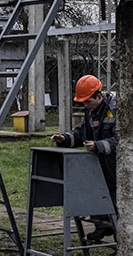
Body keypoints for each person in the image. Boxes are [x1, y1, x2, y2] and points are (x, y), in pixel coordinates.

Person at [51, 74, 118, 241]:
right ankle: (103, 226)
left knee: (116, 202)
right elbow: (82, 132)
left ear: (99, 96)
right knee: (96, 193)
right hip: (99, 165)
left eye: (88, 101)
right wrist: (65, 138)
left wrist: (99, 146)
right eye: (83, 102)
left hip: (116, 167)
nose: (85, 105)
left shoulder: (116, 111)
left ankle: (119, 237)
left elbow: (123, 141)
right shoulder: (91, 112)